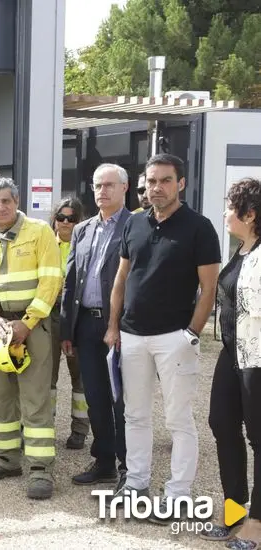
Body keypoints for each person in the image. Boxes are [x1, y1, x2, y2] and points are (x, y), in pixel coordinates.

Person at [106, 153, 220, 511]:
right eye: (151, 181)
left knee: (178, 419)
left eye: (165, 181)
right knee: (135, 414)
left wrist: (191, 334)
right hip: (133, 336)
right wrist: (113, 327)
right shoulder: (135, 223)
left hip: (175, 338)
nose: (156, 188)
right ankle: (136, 483)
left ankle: (178, 493)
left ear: (181, 184)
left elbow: (209, 289)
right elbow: (121, 279)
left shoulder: (199, 228)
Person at [0, 177, 63, 500]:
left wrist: (28, 322)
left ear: (17, 201)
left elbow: (51, 281)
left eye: (6, 200)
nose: (1, 207)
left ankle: (40, 469)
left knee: (35, 399)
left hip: (31, 328)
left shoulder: (40, 232)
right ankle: (6, 458)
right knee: (0, 396)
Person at [59, 164, 130, 488]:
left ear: (124, 188)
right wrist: (66, 329)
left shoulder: (137, 225)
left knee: (122, 400)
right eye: (98, 185)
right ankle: (103, 462)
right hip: (86, 325)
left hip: (121, 327)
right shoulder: (82, 229)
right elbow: (70, 280)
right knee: (96, 398)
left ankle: (130, 466)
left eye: (110, 185)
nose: (103, 191)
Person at [204, 177, 261, 545]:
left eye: (230, 207)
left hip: (258, 357)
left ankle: (256, 522)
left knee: (259, 437)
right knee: (221, 423)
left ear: (250, 213)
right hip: (231, 352)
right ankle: (235, 507)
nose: (225, 213)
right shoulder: (242, 249)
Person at [49, 197, 90, 450]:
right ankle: (46, 426)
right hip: (49, 315)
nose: (65, 222)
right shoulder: (44, 243)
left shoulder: (85, 244)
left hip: (77, 318)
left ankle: (79, 430)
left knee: (80, 379)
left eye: (72, 218)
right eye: (61, 217)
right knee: (46, 378)